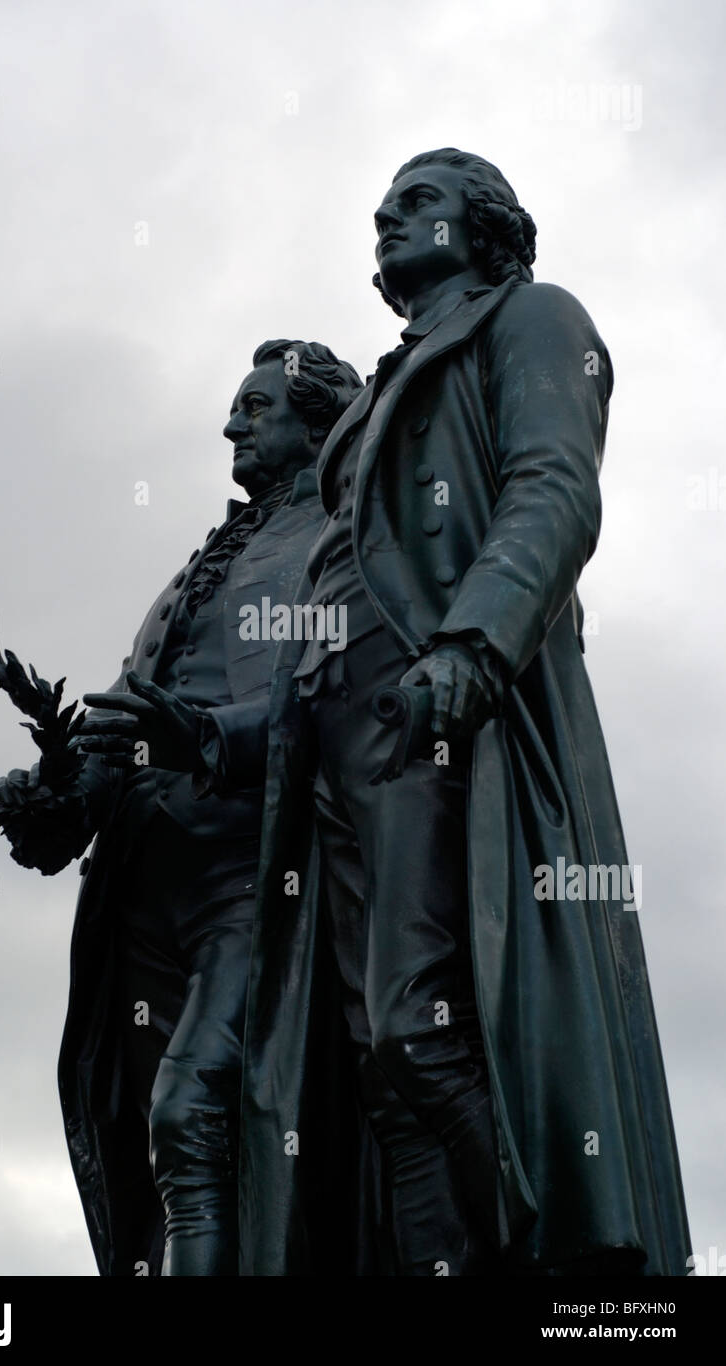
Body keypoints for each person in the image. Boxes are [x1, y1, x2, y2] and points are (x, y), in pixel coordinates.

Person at [233, 150, 692, 1276]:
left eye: (418, 200)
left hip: (441, 715)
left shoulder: (531, 318)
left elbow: (553, 487)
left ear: (484, 224)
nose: (386, 218)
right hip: (337, 740)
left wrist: (472, 645)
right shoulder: (376, 395)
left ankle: (549, 1265)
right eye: (380, 209)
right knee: (371, 1061)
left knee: (425, 1030)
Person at [3, 339, 362, 1275]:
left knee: (193, 1112)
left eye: (257, 407)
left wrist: (206, 738)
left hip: (255, 875)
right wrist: (55, 807)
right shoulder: (195, 567)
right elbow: (124, 729)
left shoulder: (345, 535)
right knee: (151, 1148)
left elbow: (340, 700)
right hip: (144, 895)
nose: (232, 424)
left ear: (317, 421)